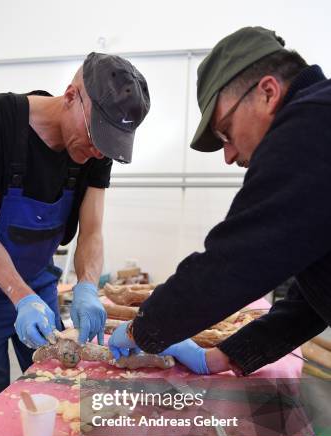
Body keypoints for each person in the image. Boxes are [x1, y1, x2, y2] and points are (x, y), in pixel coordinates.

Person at [109, 26, 331, 376]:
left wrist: (146, 328)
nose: (228, 155)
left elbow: (238, 260)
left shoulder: (312, 123)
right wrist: (229, 355)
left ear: (268, 93)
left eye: (225, 132)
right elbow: (314, 297)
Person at [0, 52, 150, 417]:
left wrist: (87, 286)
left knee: (59, 386)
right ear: (71, 95)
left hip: (39, 280)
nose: (95, 153)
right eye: (93, 137)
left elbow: (91, 231)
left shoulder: (95, 151)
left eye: (106, 146)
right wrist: (20, 297)